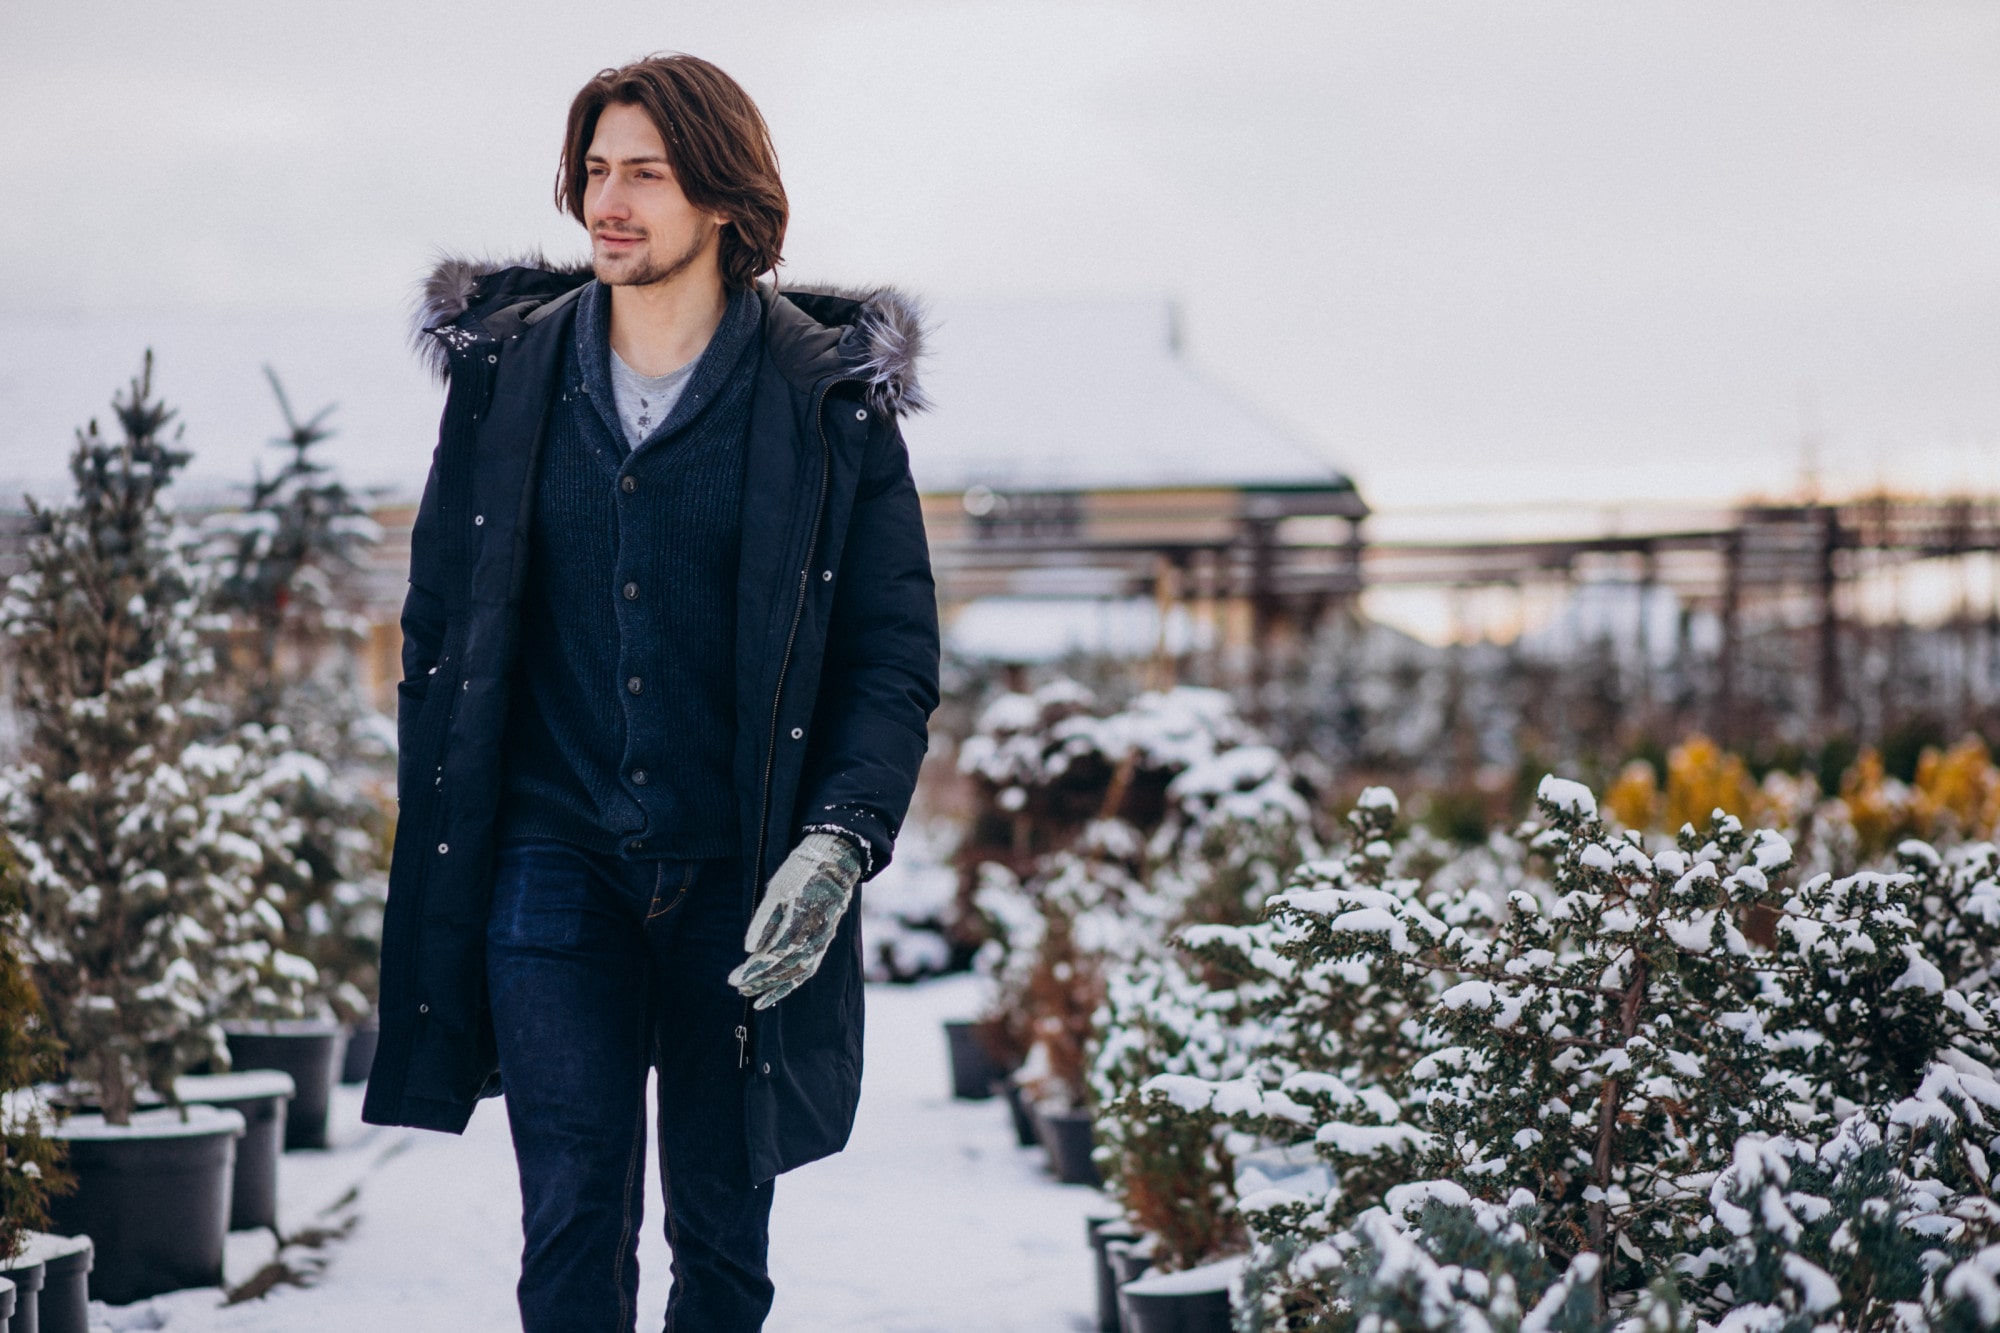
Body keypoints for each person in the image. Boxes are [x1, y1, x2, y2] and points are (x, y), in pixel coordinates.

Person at [361, 52, 940, 1332]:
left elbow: (889, 656)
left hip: (741, 870)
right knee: (570, 1217)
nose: (607, 203)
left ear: (723, 199)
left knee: (722, 1240)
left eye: (647, 175)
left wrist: (838, 841)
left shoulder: (825, 400)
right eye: (595, 171)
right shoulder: (506, 378)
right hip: (551, 862)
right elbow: (441, 621)